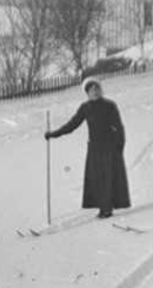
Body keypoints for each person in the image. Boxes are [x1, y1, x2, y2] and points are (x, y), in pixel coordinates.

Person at [45, 79, 130, 219]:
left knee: (108, 178)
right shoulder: (85, 107)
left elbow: (119, 126)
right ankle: (103, 208)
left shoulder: (110, 105)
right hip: (94, 148)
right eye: (91, 90)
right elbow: (72, 125)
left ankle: (107, 209)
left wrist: (120, 146)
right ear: (87, 93)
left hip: (109, 147)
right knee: (97, 180)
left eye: (97, 89)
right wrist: (53, 134)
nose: (95, 92)